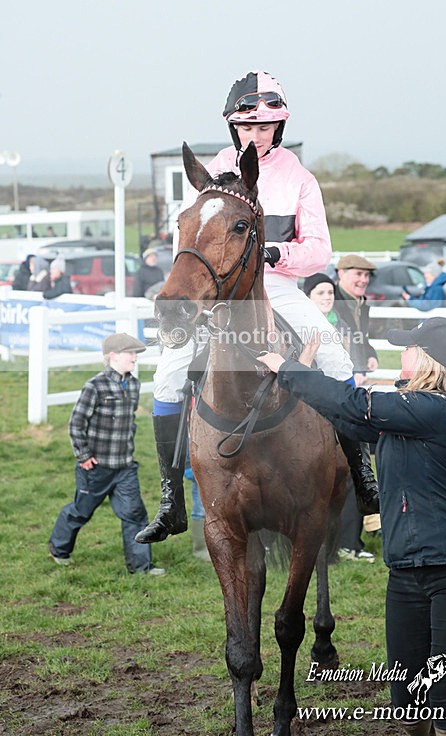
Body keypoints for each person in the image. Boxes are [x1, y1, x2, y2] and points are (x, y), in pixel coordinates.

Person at [135, 69, 379, 545]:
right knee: (167, 376)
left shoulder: (299, 178)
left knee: (333, 357)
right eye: (248, 127)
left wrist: (276, 254)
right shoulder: (212, 173)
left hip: (280, 285)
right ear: (234, 129)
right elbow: (190, 236)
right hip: (220, 291)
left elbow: (320, 250)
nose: (256, 134)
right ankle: (171, 501)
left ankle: (362, 475)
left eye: (265, 127)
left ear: (279, 129)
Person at [257, 317, 446, 736]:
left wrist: (289, 368)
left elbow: (353, 404)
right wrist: (302, 377)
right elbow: (346, 417)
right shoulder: (410, 410)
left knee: (444, 703)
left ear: (426, 358)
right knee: (407, 704)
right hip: (405, 573)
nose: (400, 352)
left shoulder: (435, 408)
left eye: (408, 346)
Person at [48, 333, 165, 576]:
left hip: (125, 467)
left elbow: (128, 421)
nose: (135, 358)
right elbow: (76, 423)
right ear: (113, 356)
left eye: (136, 353)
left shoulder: (132, 384)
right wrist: (83, 456)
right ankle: (59, 549)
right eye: (130, 353)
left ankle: (141, 567)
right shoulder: (95, 386)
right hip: (95, 467)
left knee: (135, 514)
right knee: (81, 511)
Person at [303, 272, 375, 563]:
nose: (327, 297)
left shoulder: (341, 324)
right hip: (311, 409)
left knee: (349, 469)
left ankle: (348, 542)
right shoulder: (300, 325)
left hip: (341, 404)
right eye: (320, 293)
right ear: (307, 297)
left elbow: (351, 359)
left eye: (330, 292)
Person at [333, 254, 379, 386]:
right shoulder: (330, 302)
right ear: (341, 273)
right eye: (358, 274)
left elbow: (359, 337)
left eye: (367, 275)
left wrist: (370, 354)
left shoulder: (361, 304)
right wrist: (355, 370)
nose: (364, 280)